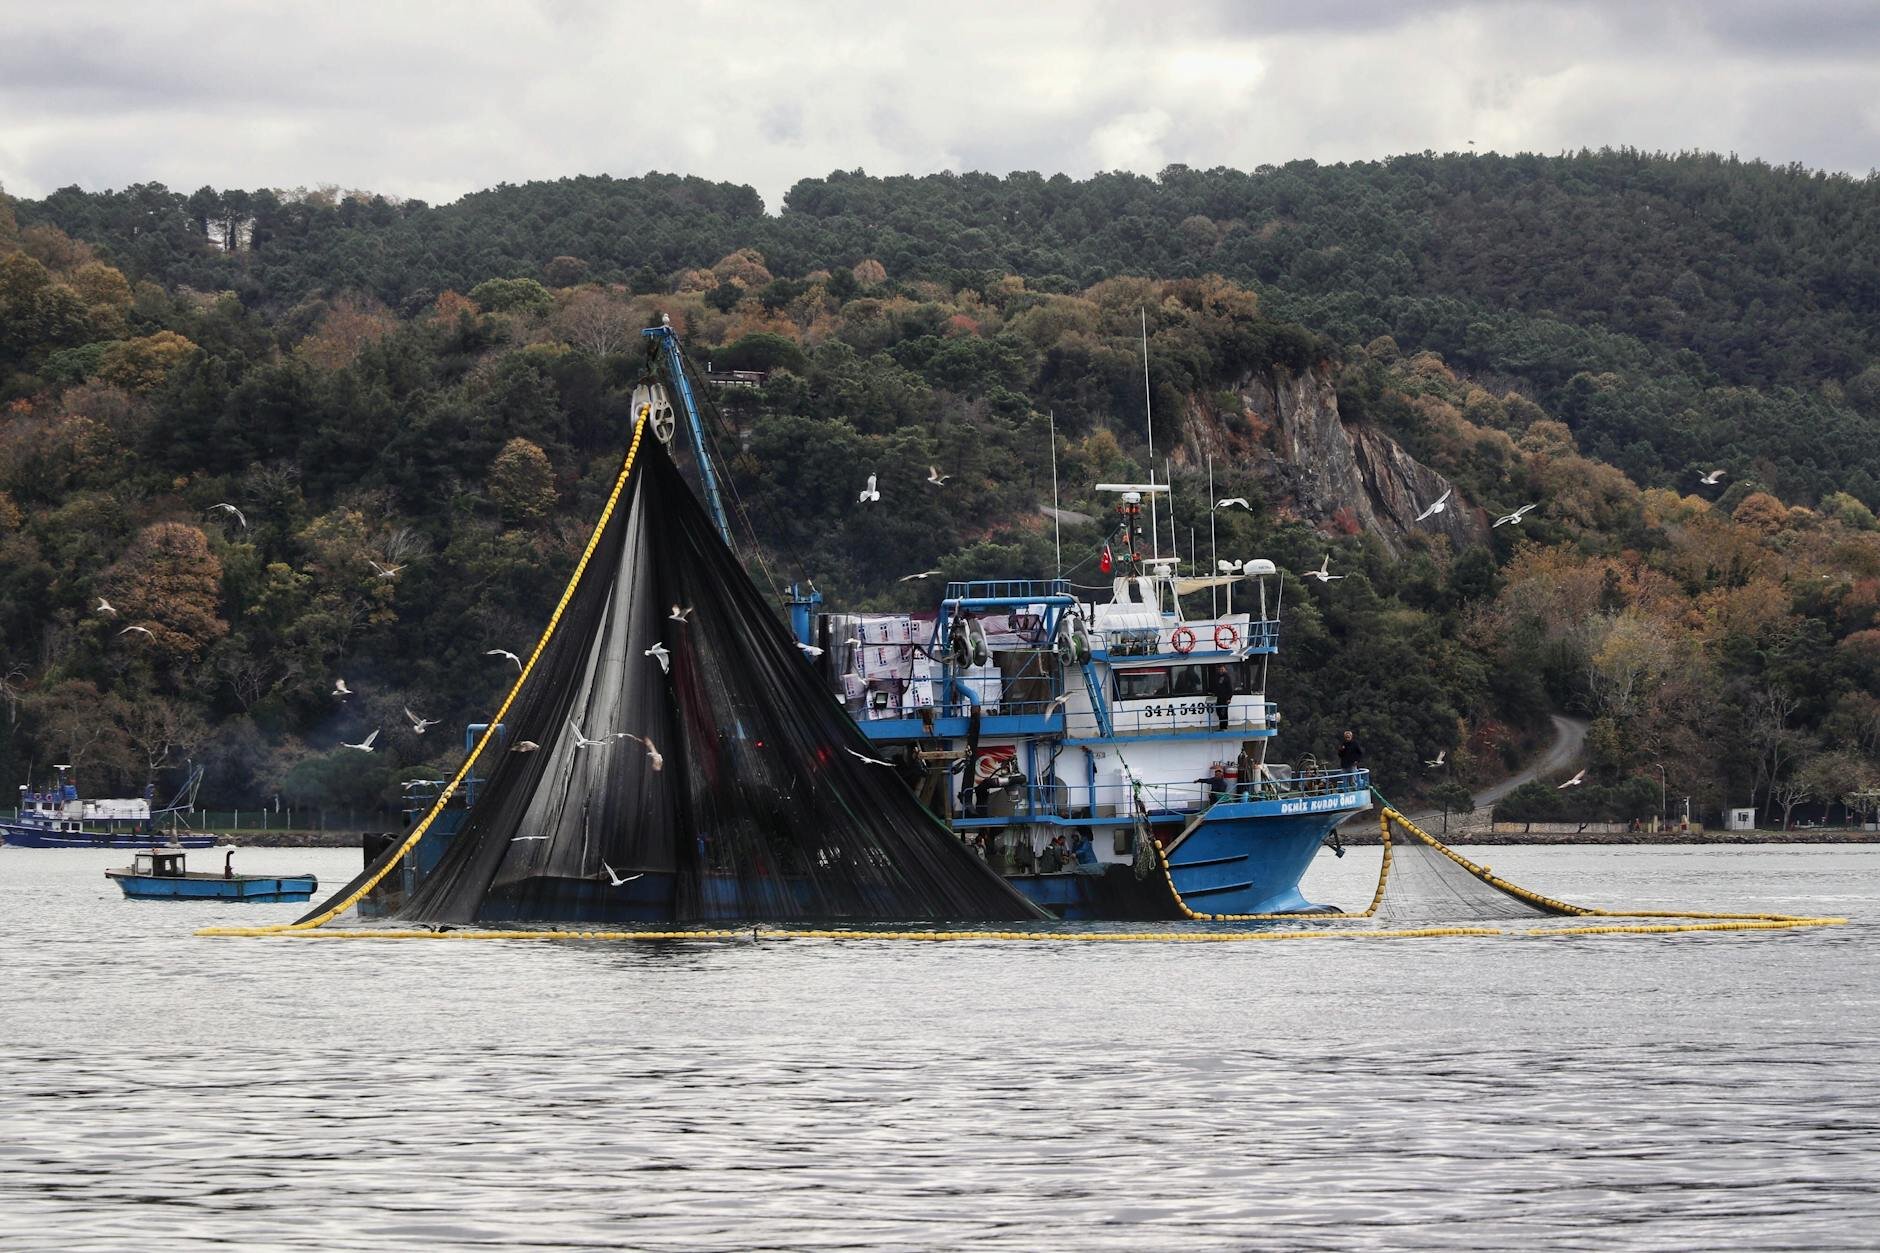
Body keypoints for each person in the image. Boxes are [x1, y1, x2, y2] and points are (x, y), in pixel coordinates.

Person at [1211, 666, 1236, 731]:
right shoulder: (1217, 677)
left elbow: (1230, 689)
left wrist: (1229, 698)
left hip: (1225, 698)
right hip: (1218, 698)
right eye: (1220, 669)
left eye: (1222, 669)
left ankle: (1224, 727)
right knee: (1218, 711)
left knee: (1224, 713)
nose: (1221, 670)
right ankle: (1221, 727)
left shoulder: (1227, 677)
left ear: (1225, 669)